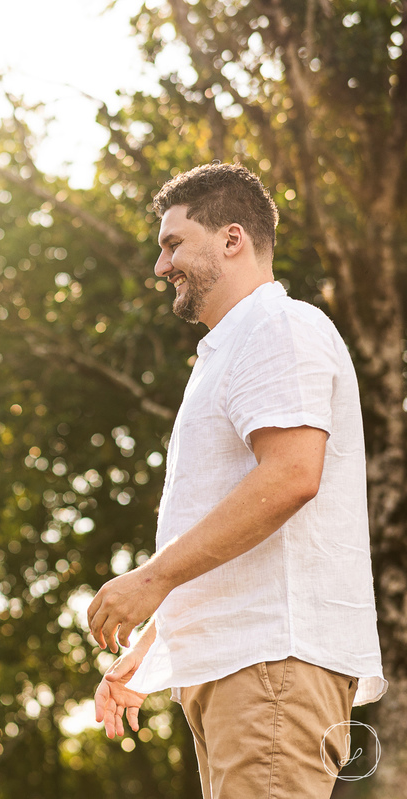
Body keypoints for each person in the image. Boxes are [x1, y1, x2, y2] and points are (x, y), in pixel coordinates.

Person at [86, 163, 386, 797]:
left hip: (271, 666)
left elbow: (292, 476)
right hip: (243, 669)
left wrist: (151, 579)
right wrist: (155, 647)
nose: (161, 266)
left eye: (173, 244)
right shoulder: (232, 348)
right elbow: (241, 530)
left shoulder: (278, 326)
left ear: (231, 239)